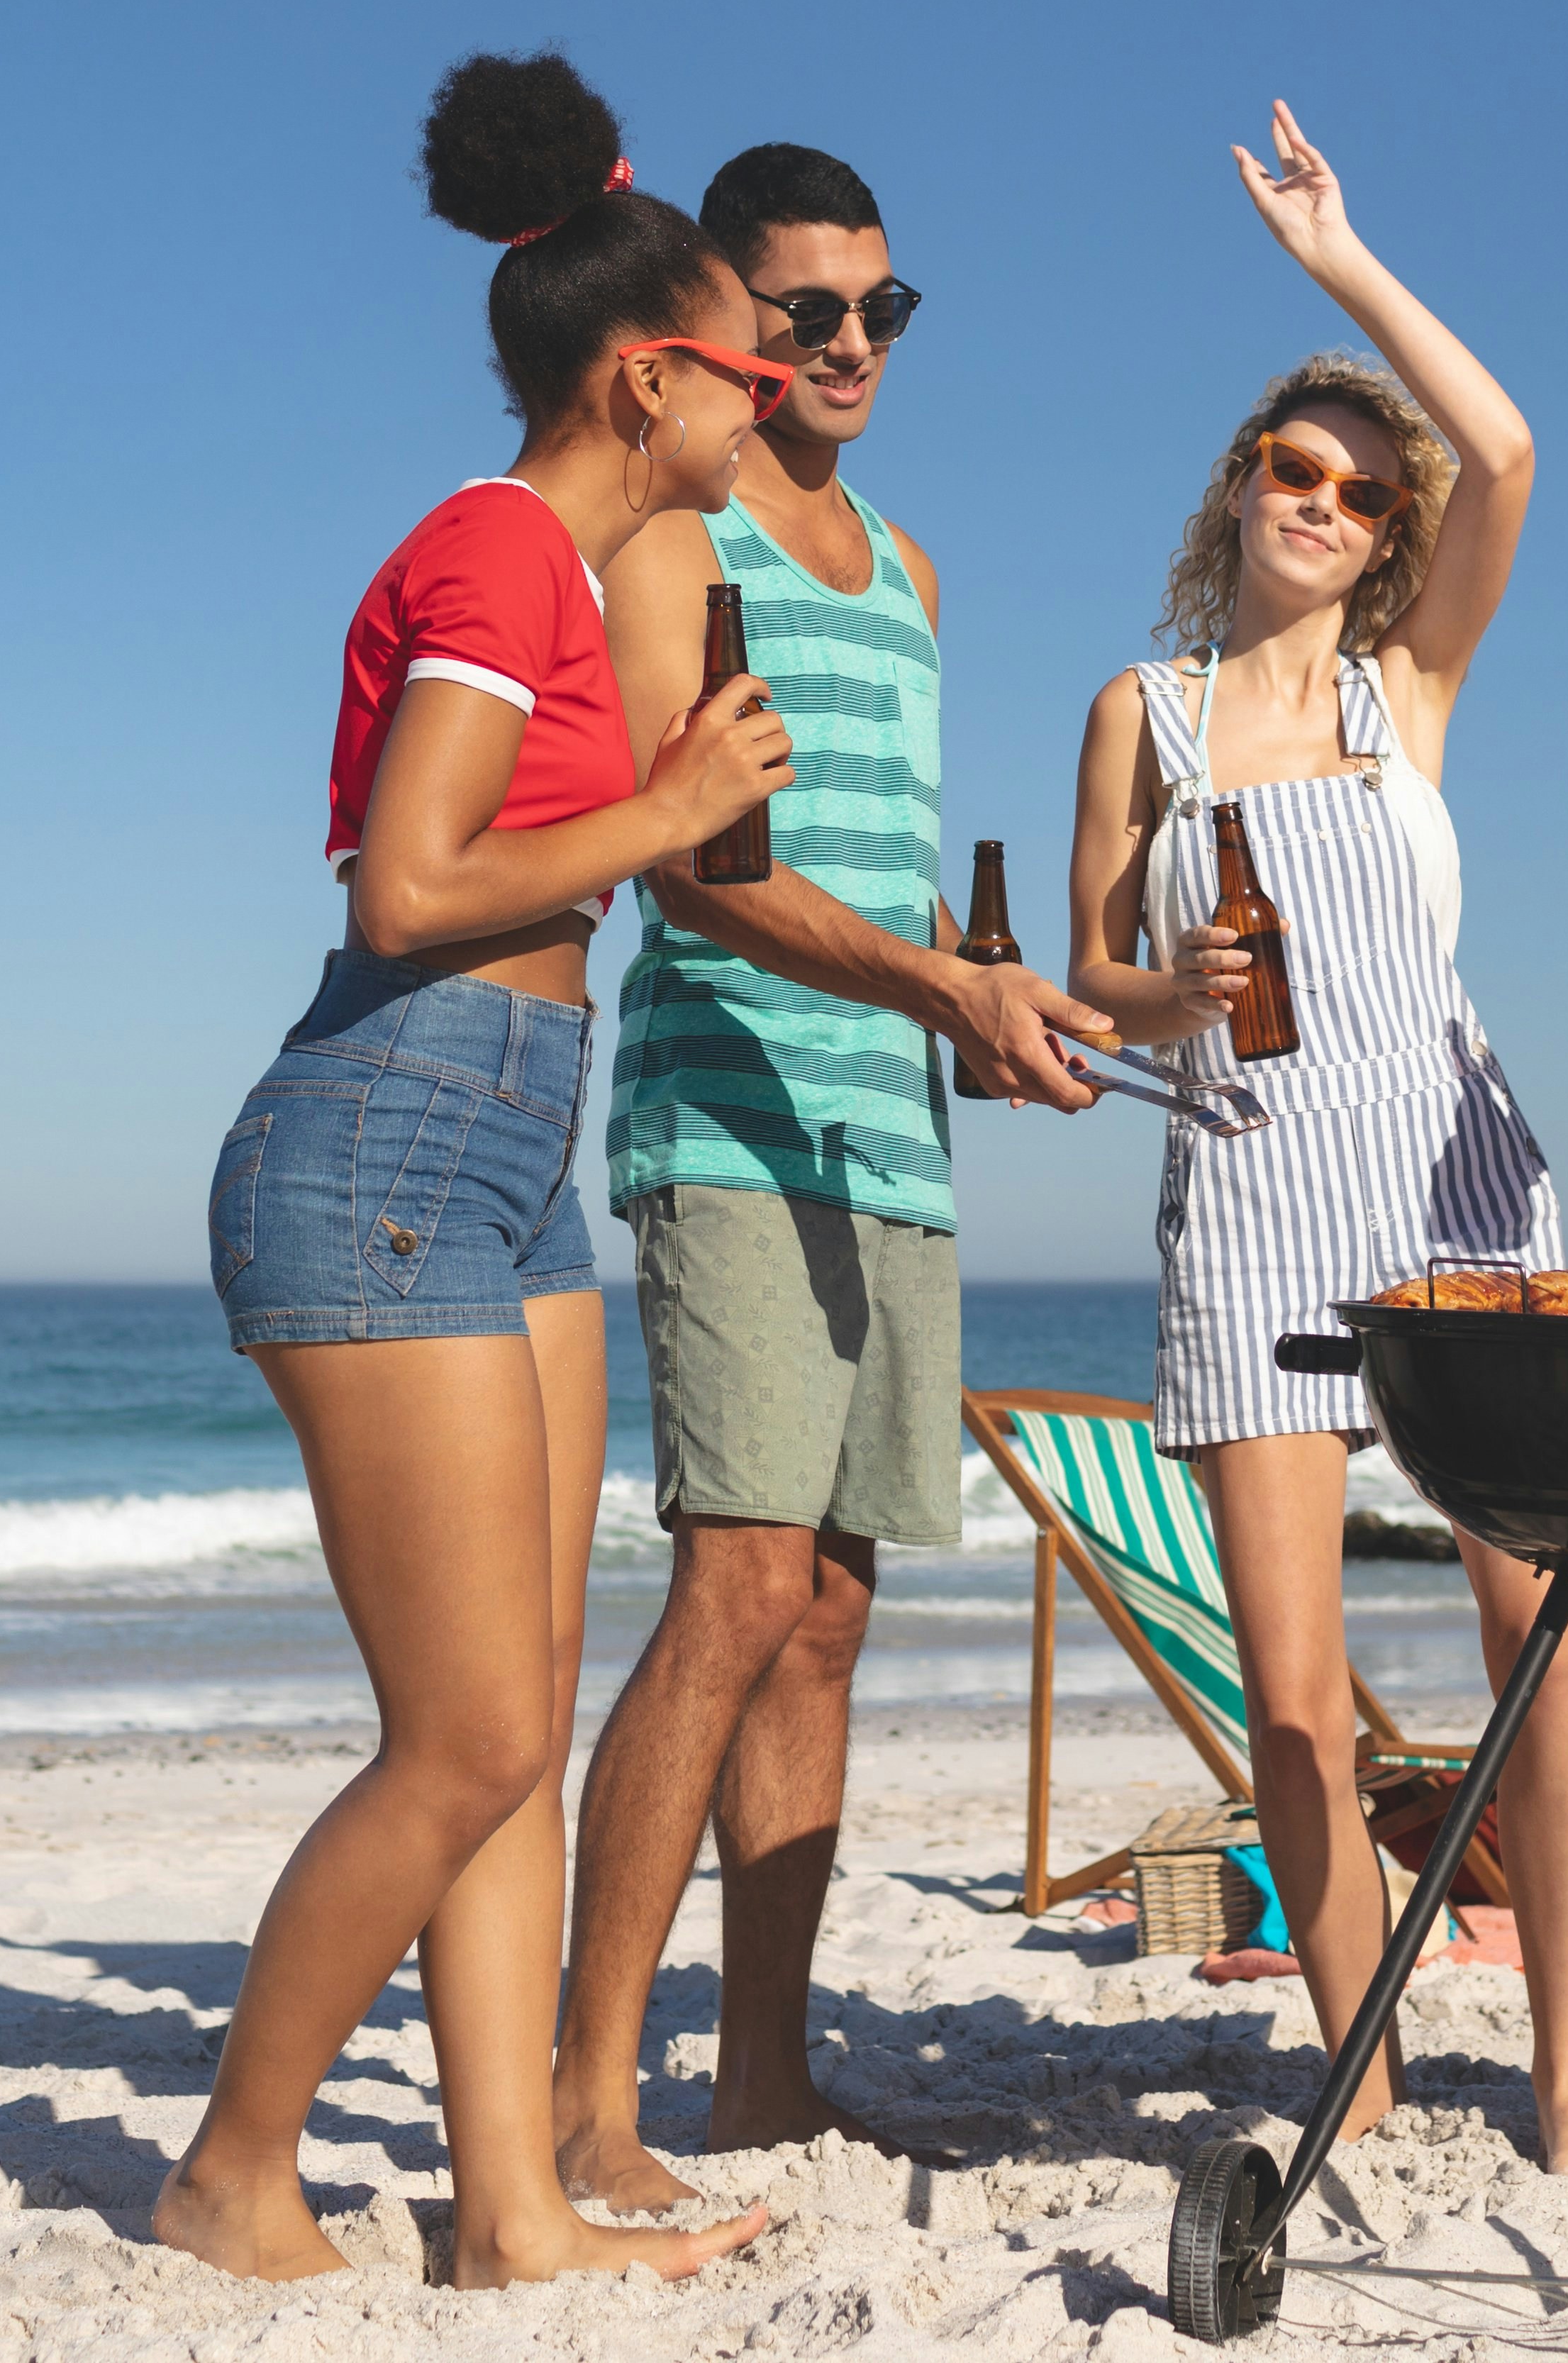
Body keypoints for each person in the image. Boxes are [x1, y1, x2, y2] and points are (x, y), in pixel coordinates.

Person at [156, 50, 798, 2290]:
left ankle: (511, 2212)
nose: (777, 389)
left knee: (513, 1721)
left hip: (510, 1140)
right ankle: (238, 2163)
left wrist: (676, 791)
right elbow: (407, 888)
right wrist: (674, 801)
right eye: (748, 359)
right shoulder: (499, 546)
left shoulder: (586, 559)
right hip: (395, 1119)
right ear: (651, 376)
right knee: (471, 1735)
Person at [1063, 104, 1568, 2173]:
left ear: (1393, 531)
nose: (1322, 500)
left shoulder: (1415, 687)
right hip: (1246, 1183)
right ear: (1237, 493)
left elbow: (1518, 454)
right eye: (1291, 470)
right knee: (1289, 1690)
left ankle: (1564, 2075)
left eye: (1358, 489)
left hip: (1445, 1179)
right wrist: (1164, 998)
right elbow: (1095, 974)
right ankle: (1365, 2069)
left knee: (1530, 1631)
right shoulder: (1148, 712)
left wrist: (1344, 269)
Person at [550, 144, 1110, 2209]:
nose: (855, 343)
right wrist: (941, 987)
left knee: (833, 1612)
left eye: (885, 308)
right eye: (808, 314)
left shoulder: (914, 565)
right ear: (724, 321)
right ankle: (585, 2102)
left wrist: (997, 1006)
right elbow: (705, 881)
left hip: (893, 1128)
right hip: (729, 1110)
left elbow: (889, 869)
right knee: (739, 1583)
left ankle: (763, 2079)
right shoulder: (674, 542)